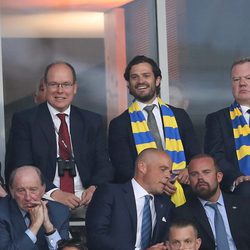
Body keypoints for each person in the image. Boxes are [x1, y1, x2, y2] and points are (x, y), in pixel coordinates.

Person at [5, 61, 113, 209]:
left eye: (66, 84)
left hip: (87, 200)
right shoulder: (25, 121)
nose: (60, 90)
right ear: (45, 87)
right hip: (44, 201)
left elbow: (104, 165)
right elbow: (20, 166)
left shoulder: (92, 121)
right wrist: (54, 192)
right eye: (54, 84)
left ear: (75, 88)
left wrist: (95, 187)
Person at [109, 55, 200, 206]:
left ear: (157, 80)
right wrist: (158, 183)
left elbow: (195, 155)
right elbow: (123, 170)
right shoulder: (119, 124)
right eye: (134, 77)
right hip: (145, 200)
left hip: (185, 193)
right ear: (128, 85)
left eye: (146, 76)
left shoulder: (179, 116)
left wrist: (188, 170)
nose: (140, 81)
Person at [86, 148, 174, 250]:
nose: (168, 176)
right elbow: (96, 238)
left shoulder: (165, 204)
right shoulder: (110, 193)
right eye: (163, 169)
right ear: (142, 167)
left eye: (170, 172)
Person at [172, 154, 250, 250]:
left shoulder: (244, 205)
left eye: (206, 172)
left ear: (219, 177)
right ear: (189, 180)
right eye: (194, 174)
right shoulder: (181, 214)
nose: (200, 177)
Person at [204, 57, 250, 195]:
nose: (242, 83)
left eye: (248, 78)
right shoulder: (217, 119)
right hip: (242, 191)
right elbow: (216, 157)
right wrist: (237, 178)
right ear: (232, 85)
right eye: (236, 79)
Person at [0, 166, 69, 250]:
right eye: (21, 190)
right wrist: (34, 226)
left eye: (33, 190)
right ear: (12, 191)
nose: (28, 197)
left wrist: (49, 228)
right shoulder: (2, 212)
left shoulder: (60, 212)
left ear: (43, 190)